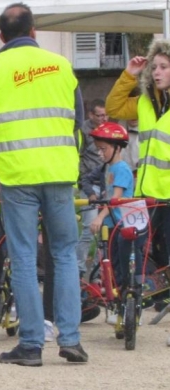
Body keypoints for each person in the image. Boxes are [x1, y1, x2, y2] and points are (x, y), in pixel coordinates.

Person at [0, 2, 88, 366]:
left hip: (17, 173)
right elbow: (78, 119)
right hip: (59, 172)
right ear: (34, 31)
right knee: (64, 254)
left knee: (25, 257)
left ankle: (31, 344)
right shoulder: (61, 65)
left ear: (1, 36)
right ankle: (71, 339)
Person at [105, 42, 170, 309]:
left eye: (164, 67)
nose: (157, 72)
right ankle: (133, 295)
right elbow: (113, 107)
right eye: (154, 67)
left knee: (165, 251)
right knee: (127, 242)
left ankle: (162, 296)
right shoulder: (145, 101)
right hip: (144, 194)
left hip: (167, 196)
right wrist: (128, 75)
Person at [83, 123, 145, 288]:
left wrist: (99, 217)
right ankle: (115, 291)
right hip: (110, 223)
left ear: (117, 148)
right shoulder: (108, 167)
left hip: (120, 223)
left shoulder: (122, 169)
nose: (100, 153)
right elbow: (94, 186)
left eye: (103, 149)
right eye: (98, 149)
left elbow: (115, 199)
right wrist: (93, 196)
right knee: (110, 261)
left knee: (120, 263)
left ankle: (127, 290)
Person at [76, 99, 107, 278]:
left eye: (105, 115)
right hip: (89, 184)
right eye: (99, 115)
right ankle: (79, 269)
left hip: (105, 185)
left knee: (104, 232)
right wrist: (86, 185)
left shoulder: (108, 130)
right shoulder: (83, 131)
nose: (103, 118)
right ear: (90, 115)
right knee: (89, 228)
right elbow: (78, 157)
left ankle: (98, 271)